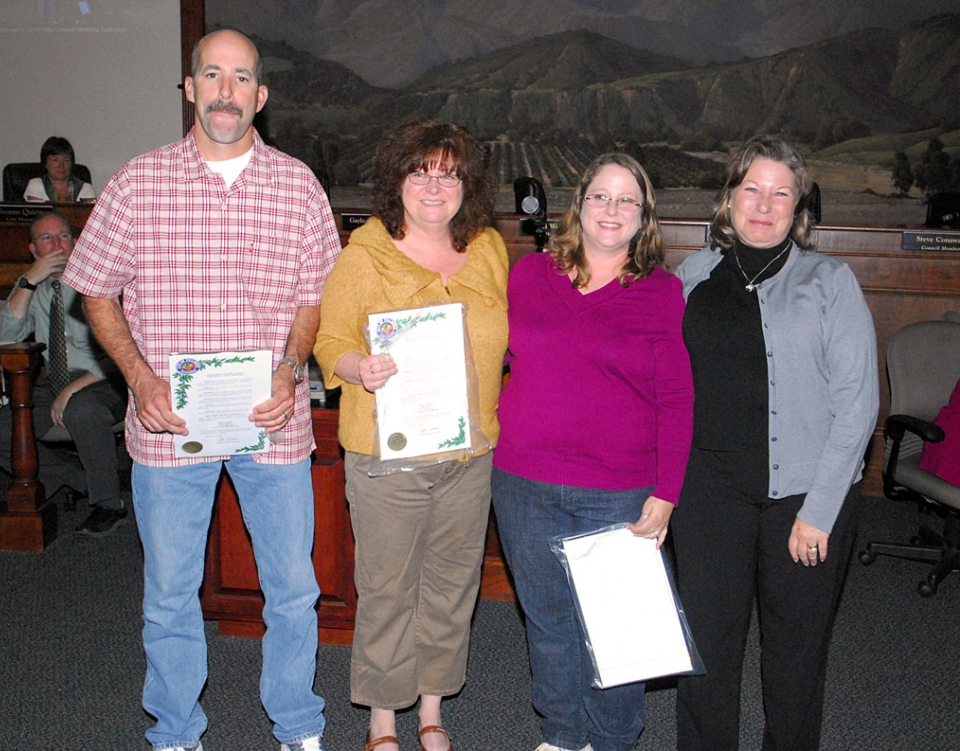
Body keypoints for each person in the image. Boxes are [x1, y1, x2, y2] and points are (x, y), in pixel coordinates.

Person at [62, 29, 340, 751]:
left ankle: (298, 724)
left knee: (294, 592)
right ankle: (177, 731)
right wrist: (140, 378)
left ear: (261, 97)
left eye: (241, 78)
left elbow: (314, 298)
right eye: (211, 75)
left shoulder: (298, 185)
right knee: (168, 595)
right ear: (190, 88)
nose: (225, 91)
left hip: (272, 421)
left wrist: (292, 364)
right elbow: (94, 289)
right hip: (167, 424)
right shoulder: (139, 181)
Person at [671, 135, 879, 751]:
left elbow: (858, 406)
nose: (764, 204)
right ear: (729, 197)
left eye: (780, 192)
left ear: (798, 206)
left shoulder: (830, 281)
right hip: (708, 498)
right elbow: (661, 380)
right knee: (705, 654)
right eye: (751, 188)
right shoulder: (692, 275)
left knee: (794, 658)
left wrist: (819, 514)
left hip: (804, 503)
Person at [314, 118, 508, 751]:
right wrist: (357, 367)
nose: (434, 185)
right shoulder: (365, 252)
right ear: (396, 181)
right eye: (420, 171)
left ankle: (431, 711)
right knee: (389, 590)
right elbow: (330, 340)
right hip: (387, 456)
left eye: (448, 174)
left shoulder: (487, 249)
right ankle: (381, 722)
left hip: (468, 453)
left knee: (452, 588)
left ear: (466, 186)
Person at [491, 153, 695, 751]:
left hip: (620, 490)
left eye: (626, 200)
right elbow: (491, 362)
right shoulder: (528, 276)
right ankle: (561, 735)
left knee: (618, 631)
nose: (612, 209)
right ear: (579, 205)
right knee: (549, 627)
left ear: (643, 216)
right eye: (600, 196)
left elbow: (678, 401)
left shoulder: (661, 293)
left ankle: (611, 740)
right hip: (523, 481)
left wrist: (667, 492)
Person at [0, 210, 128, 535]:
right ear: (34, 250)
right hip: (54, 382)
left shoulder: (99, 280)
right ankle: (78, 481)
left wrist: (72, 389)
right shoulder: (33, 286)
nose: (57, 245)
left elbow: (121, 351)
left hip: (104, 380)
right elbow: (4, 335)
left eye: (63, 236)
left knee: (83, 409)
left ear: (76, 242)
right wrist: (28, 281)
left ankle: (109, 504)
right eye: (46, 239)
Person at [23, 136, 96, 202]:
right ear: (45, 162)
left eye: (66, 160)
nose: (61, 165)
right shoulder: (36, 185)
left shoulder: (85, 188)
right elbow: (38, 215)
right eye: (55, 160)